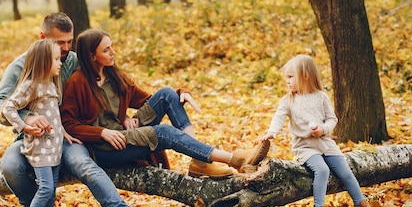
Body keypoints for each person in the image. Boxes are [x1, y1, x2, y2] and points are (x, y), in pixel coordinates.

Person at [0, 13, 141, 207]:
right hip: (33, 137)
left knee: (84, 164)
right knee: (9, 165)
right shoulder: (22, 65)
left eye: (69, 41)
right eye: (60, 43)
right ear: (42, 38)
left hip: (70, 135)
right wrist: (27, 118)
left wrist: (121, 113)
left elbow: (108, 80)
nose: (66, 49)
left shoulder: (76, 60)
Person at [60, 28, 270, 179]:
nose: (113, 52)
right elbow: (69, 124)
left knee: (167, 94)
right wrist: (101, 133)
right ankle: (234, 159)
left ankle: (200, 162)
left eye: (112, 47)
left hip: (126, 134)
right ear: (91, 56)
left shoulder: (115, 76)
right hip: (107, 148)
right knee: (162, 132)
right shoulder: (77, 83)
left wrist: (180, 94)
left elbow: (147, 99)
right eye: (106, 50)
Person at [258, 54, 382, 207]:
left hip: (325, 143)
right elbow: (278, 117)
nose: (288, 81)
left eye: (291, 77)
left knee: (346, 172)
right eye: (287, 78)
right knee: (322, 170)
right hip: (305, 147)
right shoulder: (289, 101)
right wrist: (272, 132)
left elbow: (332, 119)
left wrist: (323, 129)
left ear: (305, 76)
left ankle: (362, 205)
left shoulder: (321, 97)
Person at [1, 39, 65, 207]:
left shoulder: (51, 85)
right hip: (40, 148)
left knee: (51, 187)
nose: (60, 63)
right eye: (56, 59)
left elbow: (54, 117)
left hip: (54, 148)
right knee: (45, 188)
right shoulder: (32, 85)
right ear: (44, 61)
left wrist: (66, 134)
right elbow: (9, 107)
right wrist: (24, 126)